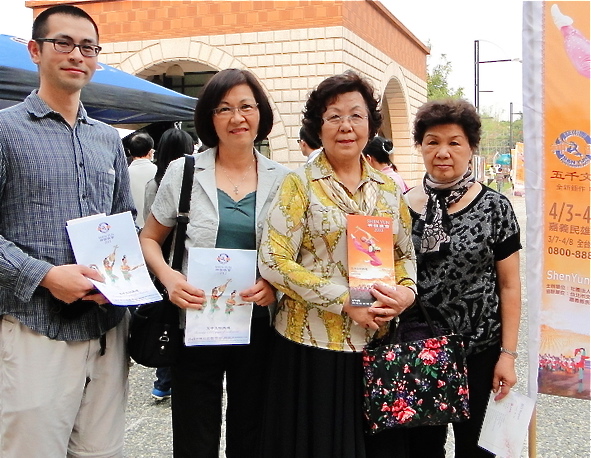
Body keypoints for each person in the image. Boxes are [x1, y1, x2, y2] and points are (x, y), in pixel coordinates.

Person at [258, 70, 417, 458]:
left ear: (370, 125)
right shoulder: (299, 185)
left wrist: (406, 293)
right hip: (311, 347)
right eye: (334, 116)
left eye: (356, 115)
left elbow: (404, 254)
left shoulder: (388, 189)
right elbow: (274, 261)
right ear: (319, 126)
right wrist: (343, 300)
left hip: (376, 347)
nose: (346, 126)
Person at [0, 5, 135, 457]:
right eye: (64, 43)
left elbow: (124, 220)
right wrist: (44, 275)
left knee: (102, 452)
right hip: (35, 326)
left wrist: (125, 277)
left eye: (88, 47)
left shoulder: (107, 139)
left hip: (106, 327)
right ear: (35, 51)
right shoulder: (5, 131)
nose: (77, 54)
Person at [139, 68, 289, 458]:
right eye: (224, 108)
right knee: (194, 432)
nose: (237, 117)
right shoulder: (184, 171)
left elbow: (295, 254)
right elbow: (150, 238)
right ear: (210, 118)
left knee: (251, 430)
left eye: (245, 107)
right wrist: (170, 277)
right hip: (196, 321)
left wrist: (276, 285)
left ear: (260, 114)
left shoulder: (285, 179)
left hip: (257, 323)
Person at [404, 99, 522, 457]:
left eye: (454, 142)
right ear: (420, 147)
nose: (443, 152)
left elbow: (509, 285)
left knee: (478, 449)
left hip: (480, 351)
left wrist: (508, 355)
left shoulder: (494, 206)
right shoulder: (402, 205)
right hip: (420, 349)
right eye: (432, 141)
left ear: (471, 148)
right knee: (423, 449)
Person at [143, 127, 195, 402]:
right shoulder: (184, 178)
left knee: (167, 317)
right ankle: (165, 377)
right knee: (171, 316)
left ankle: (163, 377)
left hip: (161, 257)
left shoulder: (155, 182)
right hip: (173, 259)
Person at [127, 131, 156, 227]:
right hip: (153, 228)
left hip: (131, 227)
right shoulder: (159, 171)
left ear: (130, 152)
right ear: (150, 152)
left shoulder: (125, 174)